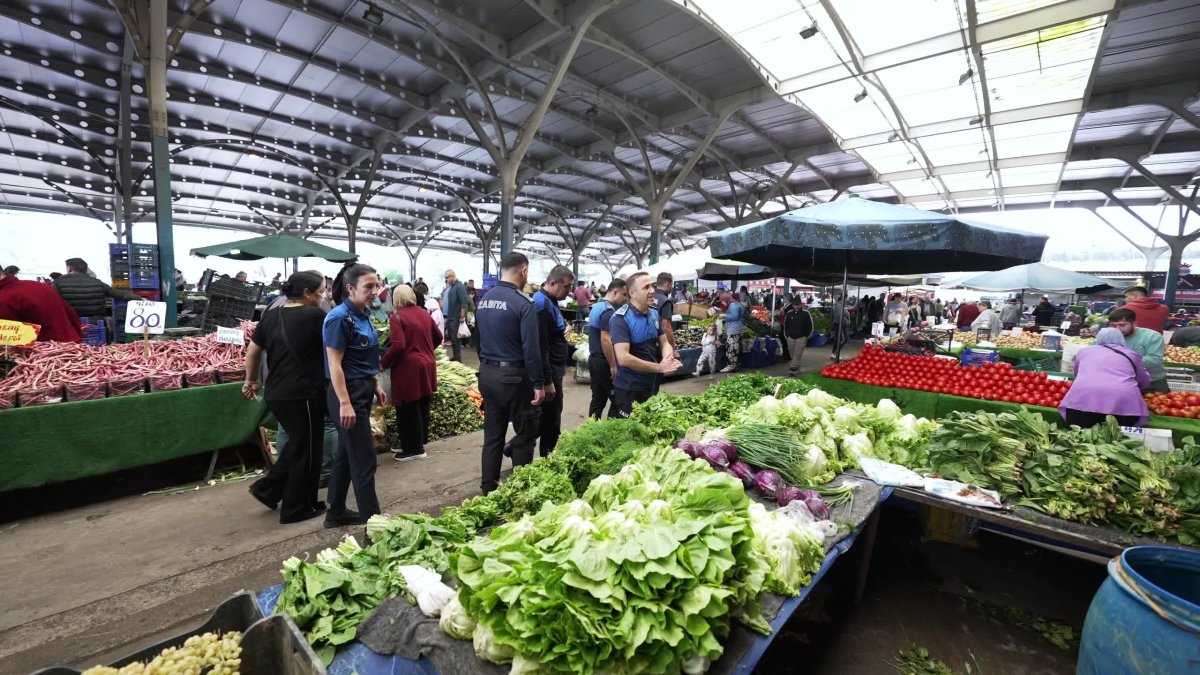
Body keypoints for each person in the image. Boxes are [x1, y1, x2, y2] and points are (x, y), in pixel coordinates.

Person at [242, 271, 328, 524]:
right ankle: (299, 507)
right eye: (321, 291)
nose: (322, 297)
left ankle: (268, 489)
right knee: (308, 450)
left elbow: (253, 350)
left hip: (276, 392)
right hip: (303, 393)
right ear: (306, 293)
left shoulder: (269, 316)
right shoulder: (314, 315)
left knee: (297, 444)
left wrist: (251, 380)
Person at [322, 263, 388, 527]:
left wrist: (376, 384)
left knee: (347, 455)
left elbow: (362, 356)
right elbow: (334, 364)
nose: (375, 291)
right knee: (364, 461)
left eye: (376, 285)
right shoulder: (339, 318)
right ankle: (376, 527)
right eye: (368, 287)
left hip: (362, 388)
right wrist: (345, 404)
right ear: (351, 288)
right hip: (345, 393)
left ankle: (335, 511)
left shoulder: (363, 314)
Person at [475, 252, 545, 494]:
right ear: (523, 270)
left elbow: (478, 339)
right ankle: (520, 493)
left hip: (487, 374)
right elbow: (531, 350)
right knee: (525, 435)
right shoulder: (523, 303)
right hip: (515, 378)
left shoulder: (484, 300)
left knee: (492, 437)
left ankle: (488, 491)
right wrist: (538, 383)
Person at [382, 284, 441, 462]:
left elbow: (398, 345)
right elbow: (438, 336)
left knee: (407, 407)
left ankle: (414, 449)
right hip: (428, 364)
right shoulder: (424, 313)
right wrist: (426, 350)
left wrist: (383, 362)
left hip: (408, 368)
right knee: (422, 403)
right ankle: (415, 442)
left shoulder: (397, 317)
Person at [609, 272, 681, 417]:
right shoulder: (620, 319)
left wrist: (667, 356)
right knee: (628, 431)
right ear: (632, 293)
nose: (652, 290)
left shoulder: (654, 313)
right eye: (646, 287)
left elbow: (664, 342)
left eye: (652, 286)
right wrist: (659, 367)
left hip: (651, 383)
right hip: (630, 388)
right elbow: (623, 358)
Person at [1059, 327, 1151, 428]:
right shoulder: (1132, 355)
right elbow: (1143, 380)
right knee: (1118, 438)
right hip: (1122, 403)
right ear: (1121, 339)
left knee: (1079, 436)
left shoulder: (1084, 352)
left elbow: (1077, 373)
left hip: (1083, 399)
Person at [533, 265, 574, 456]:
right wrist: (547, 381)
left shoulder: (551, 301)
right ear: (552, 283)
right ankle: (548, 459)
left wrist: (563, 328)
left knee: (548, 417)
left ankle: (515, 445)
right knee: (551, 421)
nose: (569, 291)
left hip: (555, 369)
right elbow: (541, 347)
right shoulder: (541, 305)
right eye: (566, 286)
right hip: (550, 372)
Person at [0, 265, 83, 342]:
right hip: (74, 347)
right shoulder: (41, 286)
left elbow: (9, 343)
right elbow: (72, 315)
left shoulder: (4, 299)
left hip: (45, 353)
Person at [586, 279, 627, 420]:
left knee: (598, 399)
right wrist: (613, 365)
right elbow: (606, 340)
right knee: (617, 401)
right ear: (615, 292)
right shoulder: (608, 311)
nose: (625, 298)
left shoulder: (598, 306)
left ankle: (592, 430)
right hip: (603, 361)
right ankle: (610, 431)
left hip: (595, 359)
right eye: (624, 294)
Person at [53, 258, 141, 319]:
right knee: (98, 345)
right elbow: (119, 293)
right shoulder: (98, 283)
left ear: (69, 269)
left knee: (70, 346)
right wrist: (140, 298)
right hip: (96, 322)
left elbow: (49, 301)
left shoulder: (58, 283)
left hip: (70, 322)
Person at [1109, 307, 1168, 392]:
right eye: (1113, 325)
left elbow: (1155, 359)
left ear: (1134, 324)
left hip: (1152, 382)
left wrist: (1123, 361)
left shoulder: (1152, 336)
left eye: (1122, 325)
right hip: (1122, 382)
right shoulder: (1109, 336)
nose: (1117, 329)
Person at [653, 272, 677, 390]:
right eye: (671, 284)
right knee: (655, 381)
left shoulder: (649, 297)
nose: (672, 287)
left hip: (645, 343)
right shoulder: (665, 301)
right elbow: (666, 326)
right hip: (658, 344)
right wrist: (673, 348)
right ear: (667, 283)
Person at [781, 294, 813, 377]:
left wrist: (806, 336)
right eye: (794, 305)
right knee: (792, 353)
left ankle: (793, 369)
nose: (796, 307)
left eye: (798, 305)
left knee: (797, 353)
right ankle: (797, 367)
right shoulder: (789, 313)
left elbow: (810, 326)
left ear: (801, 304)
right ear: (792, 305)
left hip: (801, 337)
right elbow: (786, 325)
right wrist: (787, 335)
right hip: (790, 337)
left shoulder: (806, 313)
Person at [441, 269, 468, 362]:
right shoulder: (452, 287)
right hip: (450, 317)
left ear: (452, 276)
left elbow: (464, 301)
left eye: (447, 278)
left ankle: (457, 358)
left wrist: (462, 316)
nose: (446, 280)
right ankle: (456, 357)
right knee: (452, 339)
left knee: (456, 339)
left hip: (456, 318)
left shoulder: (459, 287)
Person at [720, 291, 745, 372]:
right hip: (738, 329)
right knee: (735, 349)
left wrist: (724, 316)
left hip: (733, 330)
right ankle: (734, 365)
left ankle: (731, 366)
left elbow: (734, 317)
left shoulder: (733, 305)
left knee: (732, 349)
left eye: (723, 300)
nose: (723, 303)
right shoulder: (738, 304)